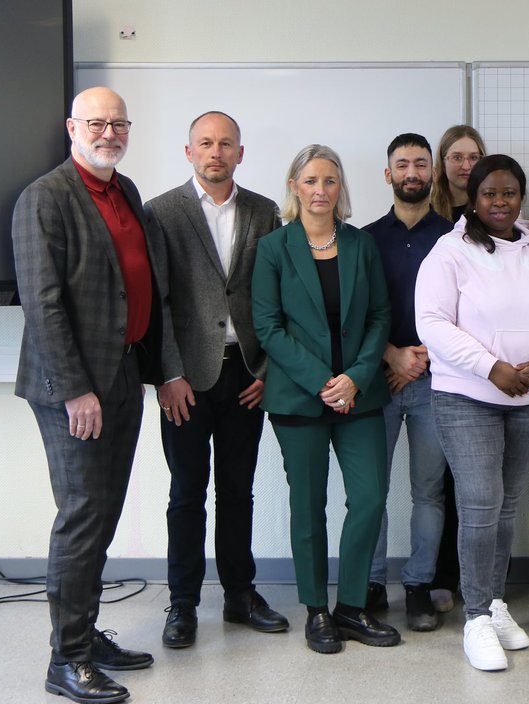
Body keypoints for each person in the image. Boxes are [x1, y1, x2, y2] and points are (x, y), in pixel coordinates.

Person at [14, 86, 168, 704]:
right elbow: (43, 304)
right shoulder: (44, 198)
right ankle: (66, 659)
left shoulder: (125, 192)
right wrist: (76, 390)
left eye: (118, 123)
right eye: (97, 123)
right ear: (72, 127)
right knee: (82, 516)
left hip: (123, 376)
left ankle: (84, 634)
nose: (109, 132)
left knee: (101, 515)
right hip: (72, 388)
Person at [415, 154, 529, 671]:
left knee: (507, 507)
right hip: (466, 397)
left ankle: (495, 603)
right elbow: (432, 323)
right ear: (473, 197)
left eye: (509, 193)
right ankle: (476, 618)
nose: (500, 202)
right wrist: (491, 368)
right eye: (490, 194)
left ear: (521, 197)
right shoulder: (449, 252)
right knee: (481, 503)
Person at [147, 110, 288, 649]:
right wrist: (167, 375)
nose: (215, 152)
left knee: (238, 491)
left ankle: (239, 595)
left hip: (246, 376)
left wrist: (269, 369)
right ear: (189, 152)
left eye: (225, 143)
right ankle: (181, 604)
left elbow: (278, 297)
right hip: (185, 379)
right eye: (205, 143)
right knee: (187, 493)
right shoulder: (159, 212)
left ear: (240, 152)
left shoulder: (264, 211)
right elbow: (154, 304)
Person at [251, 144, 396, 655]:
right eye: (310, 180)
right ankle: (317, 611)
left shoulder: (361, 245)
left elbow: (381, 316)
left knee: (370, 498)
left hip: (360, 395)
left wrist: (354, 377)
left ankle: (352, 608)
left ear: (341, 188)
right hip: (299, 401)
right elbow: (268, 328)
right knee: (308, 507)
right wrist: (323, 381)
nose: (320, 190)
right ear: (294, 187)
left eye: (329, 181)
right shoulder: (273, 248)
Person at [362, 133, 455, 631]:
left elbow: (469, 311)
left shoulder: (457, 235)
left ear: (433, 172)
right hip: (377, 381)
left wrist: (418, 360)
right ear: (388, 174)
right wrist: (392, 356)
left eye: (421, 163)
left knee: (429, 491)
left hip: (437, 382)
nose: (413, 172)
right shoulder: (365, 238)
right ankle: (372, 582)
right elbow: (353, 313)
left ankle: (418, 584)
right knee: (371, 491)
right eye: (403, 164)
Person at [427, 124, 487, 612]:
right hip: (426, 368)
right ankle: (443, 573)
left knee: (476, 483)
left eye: (473, 157)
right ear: (442, 163)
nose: (465, 165)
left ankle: (480, 581)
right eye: (455, 156)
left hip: (479, 373)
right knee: (439, 483)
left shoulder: (498, 217)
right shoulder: (430, 221)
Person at [430, 124, 487, 223]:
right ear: (443, 164)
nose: (466, 167)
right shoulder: (427, 212)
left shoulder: (492, 210)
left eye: (473, 158)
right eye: (457, 157)